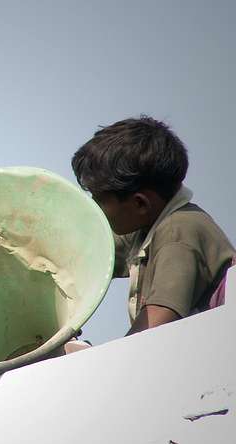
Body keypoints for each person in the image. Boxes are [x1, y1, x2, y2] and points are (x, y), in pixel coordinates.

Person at [71, 116, 235, 335]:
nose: (95, 207)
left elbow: (154, 328)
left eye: (99, 199)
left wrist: (92, 361)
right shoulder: (146, 224)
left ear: (140, 203)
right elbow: (86, 254)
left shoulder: (179, 233)